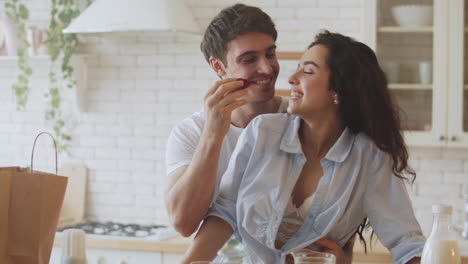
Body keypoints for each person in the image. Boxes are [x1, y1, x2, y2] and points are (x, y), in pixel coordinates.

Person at [180, 31, 425, 264]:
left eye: (307, 71)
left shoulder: (368, 157)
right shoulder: (262, 132)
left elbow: (407, 245)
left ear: (337, 90)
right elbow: (224, 213)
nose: (292, 78)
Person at [165, 3, 354, 263]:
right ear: (218, 67)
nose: (267, 68)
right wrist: (213, 133)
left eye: (270, 54)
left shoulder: (304, 121)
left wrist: (343, 257)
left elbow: (340, 215)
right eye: (249, 59)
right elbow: (183, 223)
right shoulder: (191, 133)